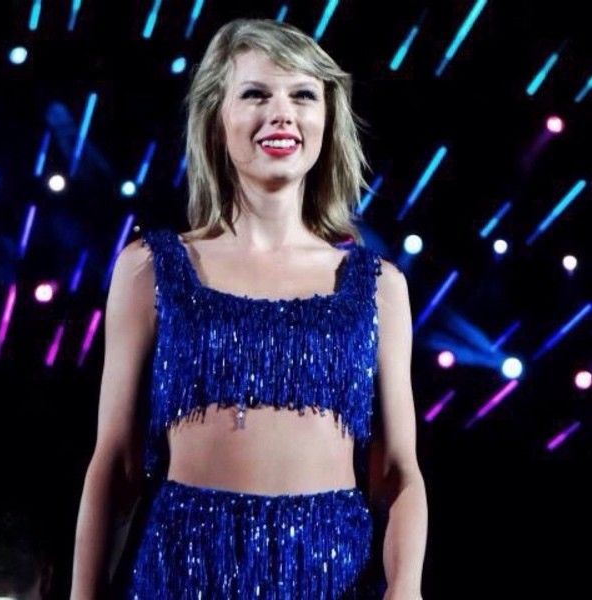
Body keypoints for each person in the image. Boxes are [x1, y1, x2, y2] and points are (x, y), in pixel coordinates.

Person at [70, 17, 427, 600]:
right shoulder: (149, 268)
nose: (282, 113)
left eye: (304, 95)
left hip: (330, 572)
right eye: (256, 93)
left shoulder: (378, 285)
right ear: (218, 116)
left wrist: (405, 589)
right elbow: (114, 464)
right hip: (182, 567)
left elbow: (397, 473)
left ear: (326, 119)